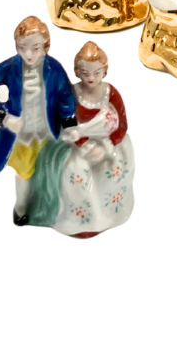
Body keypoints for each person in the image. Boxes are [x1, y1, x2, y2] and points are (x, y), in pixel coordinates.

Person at [0, 16, 78, 226]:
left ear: (46, 45)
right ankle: (21, 207)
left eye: (35, 48)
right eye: (22, 48)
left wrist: (69, 122)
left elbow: (65, 96)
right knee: (24, 173)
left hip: (47, 132)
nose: (28, 54)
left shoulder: (54, 69)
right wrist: (3, 117)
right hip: (22, 134)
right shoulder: (10, 68)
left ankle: (49, 205)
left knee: (51, 170)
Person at [55, 42, 134, 237]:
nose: (91, 78)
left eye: (96, 73)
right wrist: (84, 145)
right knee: (76, 175)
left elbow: (123, 125)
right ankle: (83, 219)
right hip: (78, 145)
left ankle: (111, 213)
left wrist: (106, 146)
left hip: (109, 143)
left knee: (114, 170)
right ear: (77, 72)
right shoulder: (71, 93)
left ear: (105, 71)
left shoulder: (110, 93)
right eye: (85, 73)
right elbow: (67, 125)